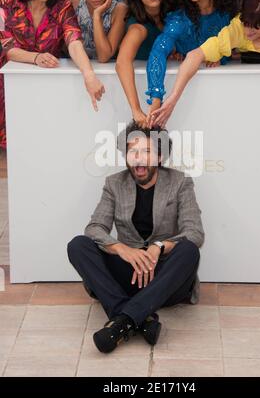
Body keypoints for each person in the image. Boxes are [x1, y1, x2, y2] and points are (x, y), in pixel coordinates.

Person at [67, 121, 204, 353]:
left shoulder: (180, 182)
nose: (139, 159)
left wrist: (159, 247)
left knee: (189, 250)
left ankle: (122, 320)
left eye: (147, 151)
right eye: (133, 151)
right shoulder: (114, 183)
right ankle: (138, 318)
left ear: (160, 157)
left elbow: (195, 232)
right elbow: (95, 227)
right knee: (78, 245)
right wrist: (121, 249)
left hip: (164, 278)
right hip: (128, 274)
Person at [149, 0, 260, 128]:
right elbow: (195, 55)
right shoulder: (237, 29)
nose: (247, 31)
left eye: (255, 26)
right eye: (245, 22)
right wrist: (173, 99)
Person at [0, 0, 105, 150]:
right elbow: (8, 48)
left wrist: (88, 74)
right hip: (9, 86)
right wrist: (36, 57)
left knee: (43, 143)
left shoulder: (62, 7)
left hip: (46, 87)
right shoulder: (8, 1)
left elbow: (74, 40)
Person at [146, 0, 241, 118]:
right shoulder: (180, 20)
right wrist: (156, 97)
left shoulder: (229, 16)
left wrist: (224, 58)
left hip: (225, 104)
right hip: (191, 108)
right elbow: (158, 51)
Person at [116, 0, 173, 128]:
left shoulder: (174, 13)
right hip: (150, 94)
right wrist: (136, 110)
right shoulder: (138, 27)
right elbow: (122, 62)